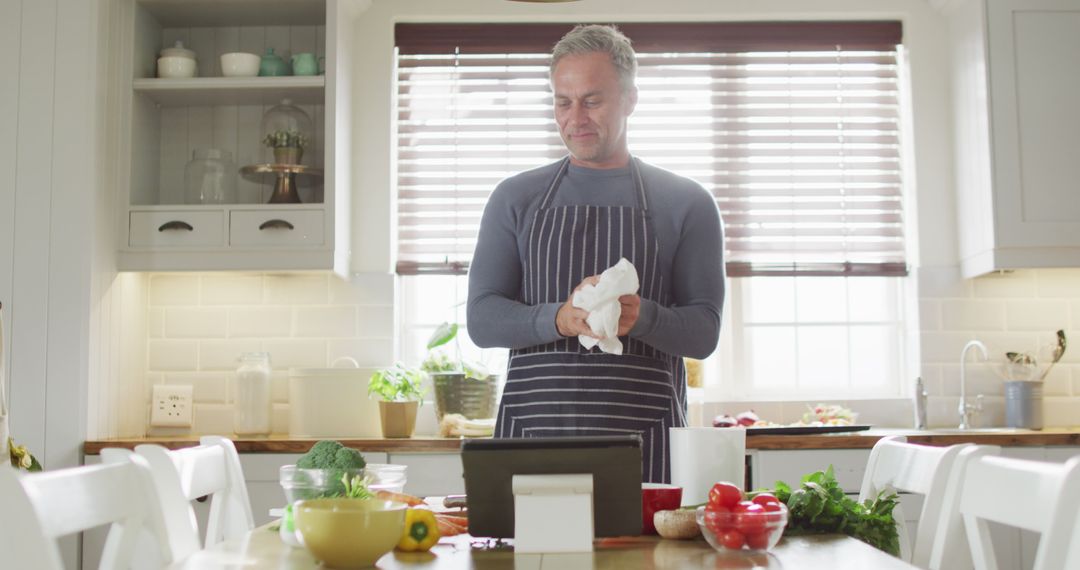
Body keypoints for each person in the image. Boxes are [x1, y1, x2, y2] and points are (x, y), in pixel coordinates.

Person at [466, 24, 725, 483]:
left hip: (647, 448)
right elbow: (483, 319)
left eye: (593, 100)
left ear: (629, 100)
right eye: (562, 102)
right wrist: (560, 318)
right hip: (531, 441)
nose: (576, 118)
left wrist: (640, 317)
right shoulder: (515, 197)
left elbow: (704, 332)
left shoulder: (686, 202)